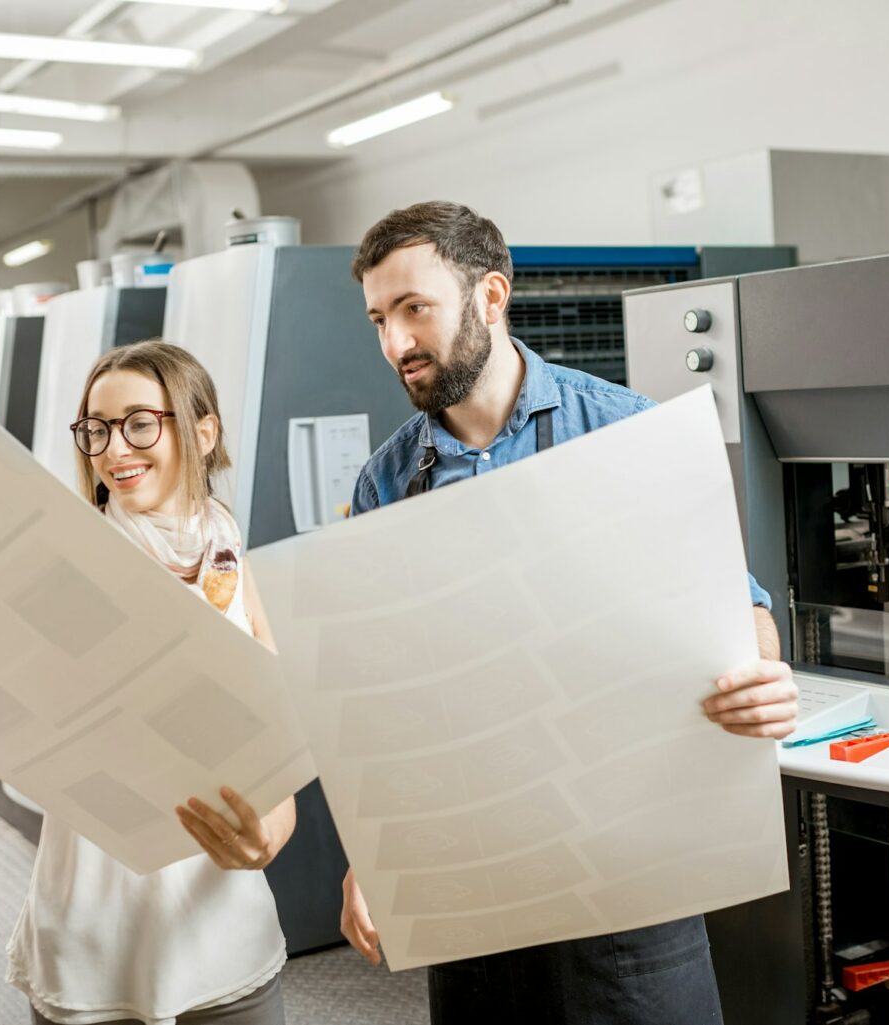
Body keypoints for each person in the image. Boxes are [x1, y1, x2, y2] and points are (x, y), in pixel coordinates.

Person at [337, 202, 799, 1024]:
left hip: (627, 857)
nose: (394, 344)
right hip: (476, 868)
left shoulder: (624, 431)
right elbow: (388, 692)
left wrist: (757, 670)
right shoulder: (385, 483)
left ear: (490, 296)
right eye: (378, 319)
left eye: (415, 309)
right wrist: (373, 850)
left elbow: (743, 613)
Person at [0, 341, 296, 1025]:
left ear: (203, 431)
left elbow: (278, 746)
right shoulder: (56, 570)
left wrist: (270, 830)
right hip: (94, 941)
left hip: (224, 931)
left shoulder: (230, 555)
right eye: (96, 428)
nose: (112, 448)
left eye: (138, 422)